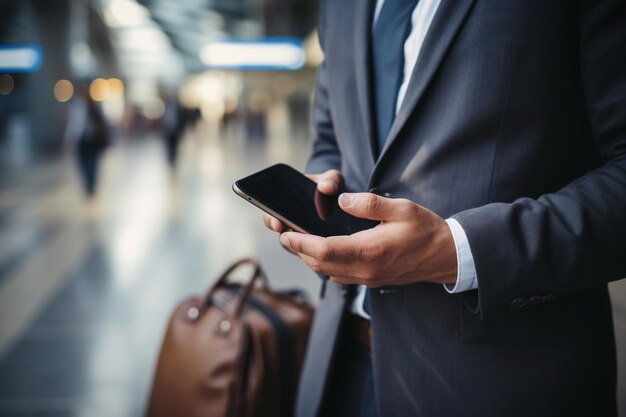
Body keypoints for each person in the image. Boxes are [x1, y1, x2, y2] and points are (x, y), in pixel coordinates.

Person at [264, 0, 626, 416]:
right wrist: (318, 185)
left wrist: (459, 251)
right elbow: (331, 136)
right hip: (337, 367)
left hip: (501, 383)